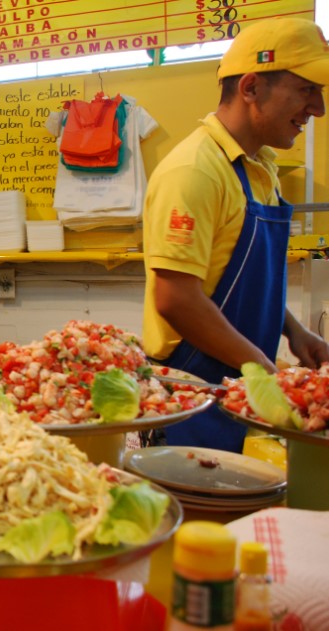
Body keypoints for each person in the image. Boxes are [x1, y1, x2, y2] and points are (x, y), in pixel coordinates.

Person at [142, 17, 329, 452]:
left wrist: (294, 331)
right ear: (250, 88)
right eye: (307, 90)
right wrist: (264, 370)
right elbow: (175, 298)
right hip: (194, 396)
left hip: (240, 384)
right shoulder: (195, 171)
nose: (318, 108)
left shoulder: (259, 167)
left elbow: (237, 279)